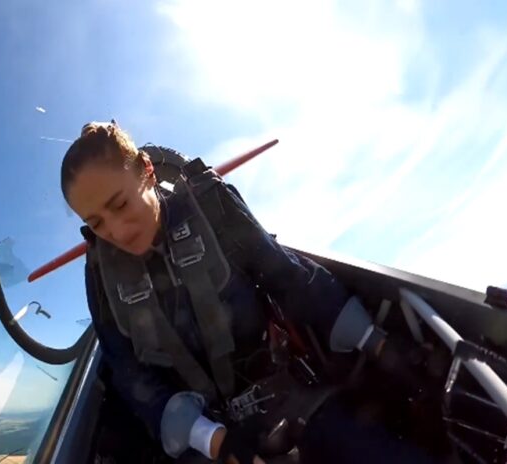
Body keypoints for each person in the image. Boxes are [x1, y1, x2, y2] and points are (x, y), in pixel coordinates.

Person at [60, 121, 441, 464]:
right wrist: (215, 442)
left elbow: (289, 278)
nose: (117, 231)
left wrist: (378, 344)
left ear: (146, 171)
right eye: (96, 224)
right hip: (202, 438)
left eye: (120, 204)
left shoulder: (211, 208)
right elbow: (129, 375)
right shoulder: (100, 278)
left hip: (285, 402)